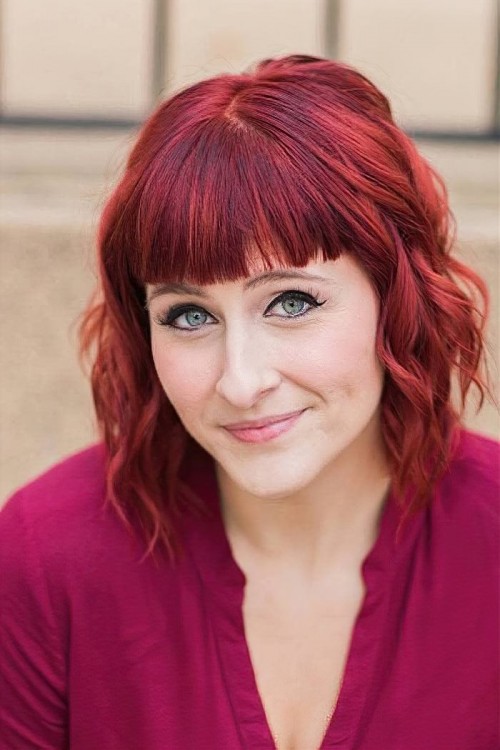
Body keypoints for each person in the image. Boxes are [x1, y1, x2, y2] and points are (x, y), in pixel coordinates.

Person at [0, 54, 498, 750]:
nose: (239, 381)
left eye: (291, 303)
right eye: (189, 315)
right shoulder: (50, 554)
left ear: (398, 297)